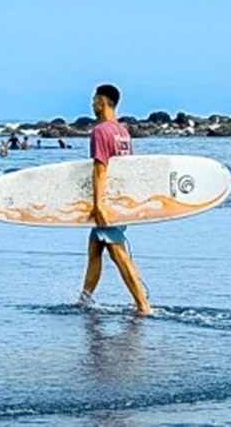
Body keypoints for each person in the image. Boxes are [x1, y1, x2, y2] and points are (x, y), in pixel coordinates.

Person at [79, 84, 152, 316]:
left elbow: (100, 168)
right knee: (95, 249)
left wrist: (98, 204)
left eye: (94, 100)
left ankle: (143, 305)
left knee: (117, 251)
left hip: (108, 201)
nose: (92, 104)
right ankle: (84, 301)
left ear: (102, 101)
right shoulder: (122, 132)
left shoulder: (101, 131)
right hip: (121, 198)